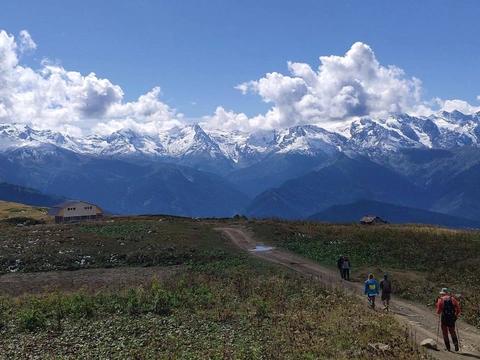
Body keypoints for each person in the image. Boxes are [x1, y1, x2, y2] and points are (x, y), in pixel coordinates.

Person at [436, 288, 461, 352]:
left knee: (445, 333)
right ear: (447, 293)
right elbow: (458, 309)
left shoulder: (440, 299)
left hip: (444, 318)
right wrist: (456, 316)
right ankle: (456, 346)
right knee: (452, 331)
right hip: (452, 318)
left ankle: (448, 348)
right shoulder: (453, 299)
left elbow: (438, 311)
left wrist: (439, 311)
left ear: (442, 293)